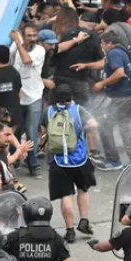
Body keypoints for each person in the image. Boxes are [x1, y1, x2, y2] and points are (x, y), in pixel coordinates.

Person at [72, 31, 131, 169]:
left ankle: (113, 160)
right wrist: (86, 66)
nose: (102, 46)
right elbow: (103, 64)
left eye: (103, 43)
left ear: (109, 43)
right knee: (125, 127)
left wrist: (102, 84)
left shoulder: (113, 53)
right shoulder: (123, 51)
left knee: (104, 123)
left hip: (123, 97)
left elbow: (119, 73)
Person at [46, 85, 98, 243]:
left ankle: (69, 231)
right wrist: (84, 127)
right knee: (83, 189)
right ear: (71, 97)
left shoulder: (48, 111)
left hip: (59, 160)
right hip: (79, 158)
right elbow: (94, 124)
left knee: (65, 195)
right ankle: (83, 220)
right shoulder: (79, 109)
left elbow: (43, 129)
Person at [9, 26, 46, 178]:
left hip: (34, 97)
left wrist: (18, 42)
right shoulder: (14, 47)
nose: (32, 38)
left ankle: (33, 165)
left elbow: (26, 59)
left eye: (34, 35)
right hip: (18, 97)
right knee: (15, 132)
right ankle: (14, 160)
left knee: (31, 133)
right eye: (28, 35)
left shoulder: (39, 50)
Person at [0, 45, 23, 131]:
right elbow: (19, 95)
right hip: (16, 116)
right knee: (15, 143)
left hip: (2, 120)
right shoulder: (15, 73)